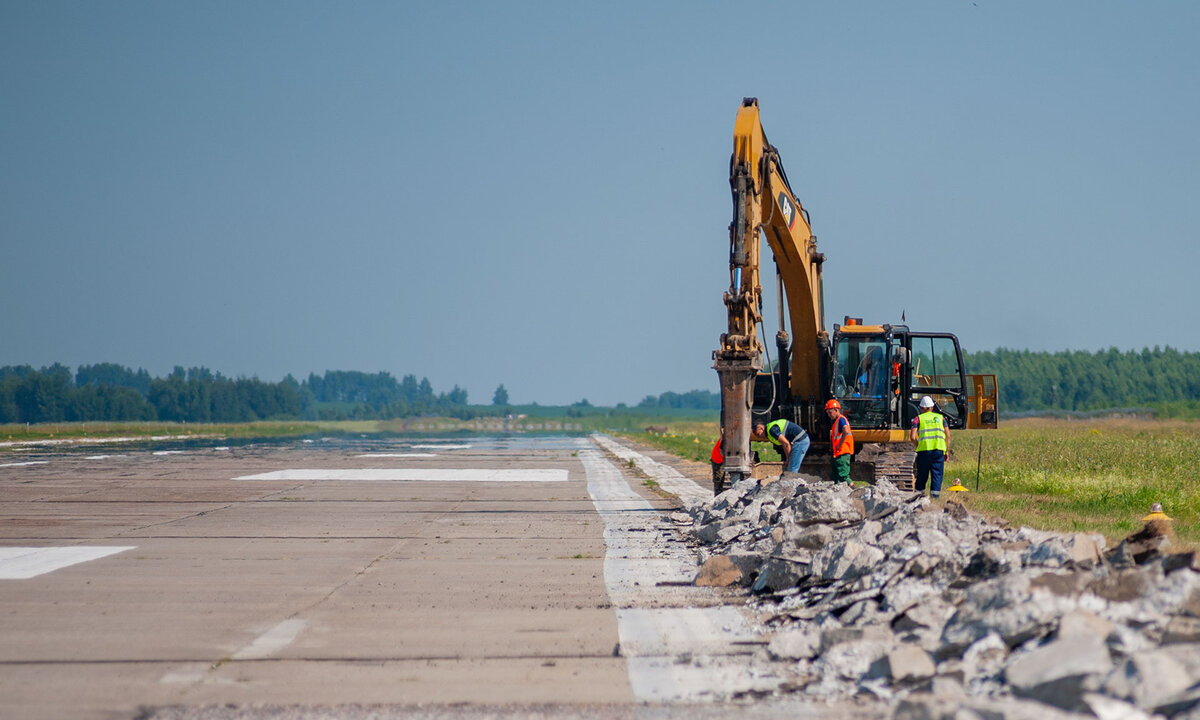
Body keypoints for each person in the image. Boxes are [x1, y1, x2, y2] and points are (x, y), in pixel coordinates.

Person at [910, 395, 950, 498]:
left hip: (924, 451)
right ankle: (935, 498)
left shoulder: (917, 419)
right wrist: (946, 450)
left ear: (921, 408)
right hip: (938, 451)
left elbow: (912, 437)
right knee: (937, 475)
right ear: (932, 407)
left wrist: (919, 445)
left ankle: (918, 497)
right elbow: (948, 436)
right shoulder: (941, 418)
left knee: (922, 475)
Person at [825, 399, 854, 484]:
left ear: (836, 410)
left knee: (843, 476)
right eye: (827, 413)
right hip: (839, 452)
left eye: (830, 413)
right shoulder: (837, 422)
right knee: (837, 476)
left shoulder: (841, 420)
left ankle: (853, 491)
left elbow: (846, 430)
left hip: (842, 451)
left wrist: (839, 445)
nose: (829, 415)